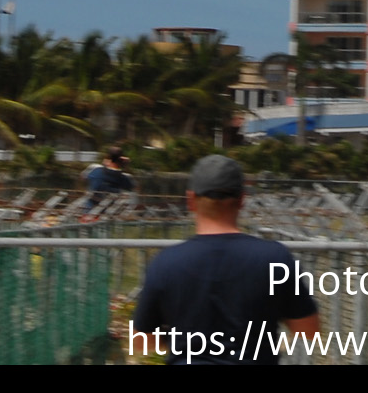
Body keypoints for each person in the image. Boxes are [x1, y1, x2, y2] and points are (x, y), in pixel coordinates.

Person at [131, 156, 319, 365]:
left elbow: (142, 341)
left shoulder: (165, 263)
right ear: (241, 200)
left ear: (191, 200)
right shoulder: (275, 258)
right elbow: (308, 329)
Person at [84, 147, 135, 214]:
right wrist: (125, 167)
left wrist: (104, 164)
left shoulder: (95, 171)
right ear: (120, 160)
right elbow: (131, 187)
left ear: (108, 158)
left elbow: (84, 177)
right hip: (109, 213)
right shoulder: (123, 178)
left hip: (89, 210)